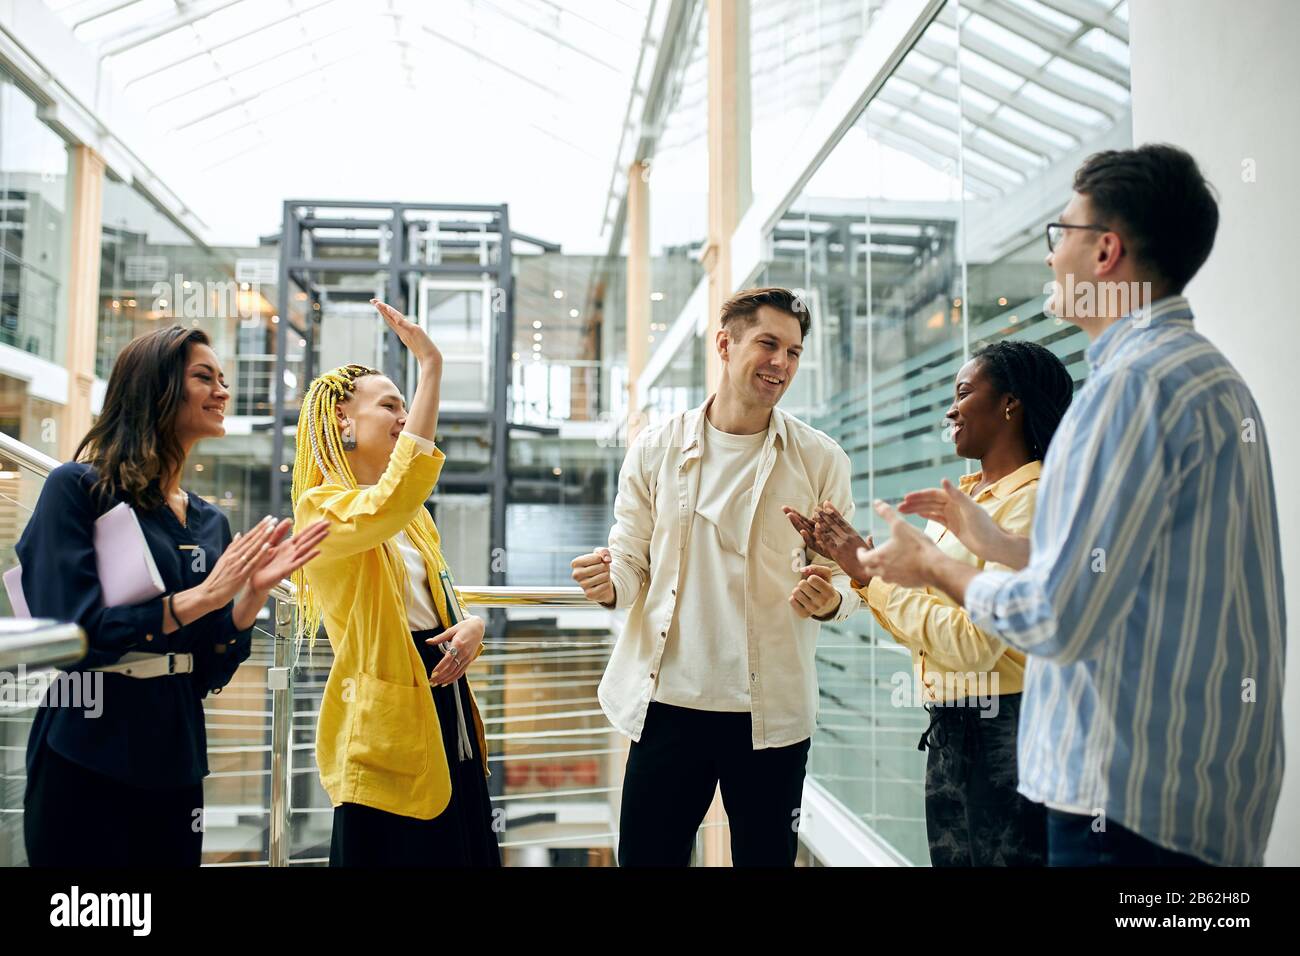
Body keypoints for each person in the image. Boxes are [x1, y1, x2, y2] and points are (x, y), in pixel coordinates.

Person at [857, 144, 1286, 867]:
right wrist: (1000, 543)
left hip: (1126, 807)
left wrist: (931, 564)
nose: (1051, 256)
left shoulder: (1130, 390)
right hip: (1198, 797)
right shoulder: (1208, 378)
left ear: (1106, 252)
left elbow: (1057, 615)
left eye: (1062, 234)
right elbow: (1130, 576)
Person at [571, 287, 861, 867]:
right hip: (667, 704)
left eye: (794, 352)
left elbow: (848, 578)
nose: (782, 362)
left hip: (770, 711)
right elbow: (629, 560)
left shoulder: (821, 459)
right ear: (726, 344)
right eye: (768, 344)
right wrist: (608, 584)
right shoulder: (654, 449)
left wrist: (829, 600)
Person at [19, 325, 327, 866]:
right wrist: (205, 597)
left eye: (223, 380)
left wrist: (250, 597)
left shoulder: (210, 521)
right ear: (156, 388)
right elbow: (71, 633)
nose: (223, 392)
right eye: (204, 377)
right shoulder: (77, 489)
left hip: (176, 759)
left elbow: (206, 670)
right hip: (86, 753)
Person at [787, 340, 1073, 866]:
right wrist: (865, 566)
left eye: (964, 393)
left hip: (1002, 737)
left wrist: (866, 575)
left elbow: (973, 644)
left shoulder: (1033, 502)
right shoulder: (964, 506)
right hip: (952, 734)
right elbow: (925, 628)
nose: (951, 408)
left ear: (1010, 404)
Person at [292, 299, 500, 867]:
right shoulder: (320, 509)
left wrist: (472, 625)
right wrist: (430, 366)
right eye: (390, 406)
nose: (405, 419)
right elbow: (387, 502)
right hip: (384, 719)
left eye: (405, 404)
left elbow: (439, 597)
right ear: (341, 420)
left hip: (445, 696)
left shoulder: (413, 516)